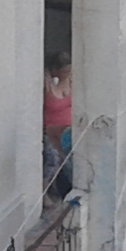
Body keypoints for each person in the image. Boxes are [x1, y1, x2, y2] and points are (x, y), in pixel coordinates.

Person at [42, 51, 74, 198]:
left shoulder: (70, 81)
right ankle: (45, 192)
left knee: (69, 160)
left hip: (67, 129)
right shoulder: (47, 84)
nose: (67, 74)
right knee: (53, 161)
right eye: (64, 72)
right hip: (51, 129)